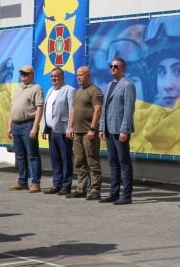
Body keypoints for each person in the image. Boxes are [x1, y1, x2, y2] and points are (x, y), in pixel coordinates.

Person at [99, 57, 136, 205]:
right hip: (109, 129)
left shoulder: (128, 85)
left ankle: (126, 195)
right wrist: (102, 127)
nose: (113, 68)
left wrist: (124, 130)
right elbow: (104, 109)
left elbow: (128, 110)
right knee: (113, 162)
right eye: (111, 66)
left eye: (116, 66)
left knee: (124, 162)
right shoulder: (109, 85)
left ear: (123, 68)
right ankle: (114, 193)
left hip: (120, 130)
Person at [66, 66, 103, 200]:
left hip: (89, 133)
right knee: (80, 161)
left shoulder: (94, 91)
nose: (78, 78)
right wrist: (70, 128)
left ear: (88, 75)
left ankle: (95, 189)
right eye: (77, 75)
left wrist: (93, 129)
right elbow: (74, 111)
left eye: (81, 75)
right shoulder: (77, 92)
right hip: (77, 132)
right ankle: (81, 189)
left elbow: (98, 110)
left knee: (92, 161)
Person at [7, 65, 44, 193]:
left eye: (26, 73)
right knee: (20, 156)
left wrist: (35, 127)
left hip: (28, 124)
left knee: (33, 155)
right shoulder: (18, 89)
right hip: (16, 125)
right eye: (21, 73)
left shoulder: (36, 88)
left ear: (32, 75)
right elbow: (13, 109)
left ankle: (35, 183)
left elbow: (39, 108)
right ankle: (22, 182)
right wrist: (9, 126)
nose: (23, 75)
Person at [42, 68, 75, 196]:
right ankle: (57, 184)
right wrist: (44, 127)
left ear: (62, 77)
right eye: (52, 76)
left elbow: (73, 110)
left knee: (65, 158)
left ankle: (66, 185)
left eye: (56, 76)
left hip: (63, 130)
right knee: (55, 158)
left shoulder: (69, 90)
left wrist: (70, 128)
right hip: (52, 130)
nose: (54, 78)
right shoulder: (50, 91)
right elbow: (47, 110)